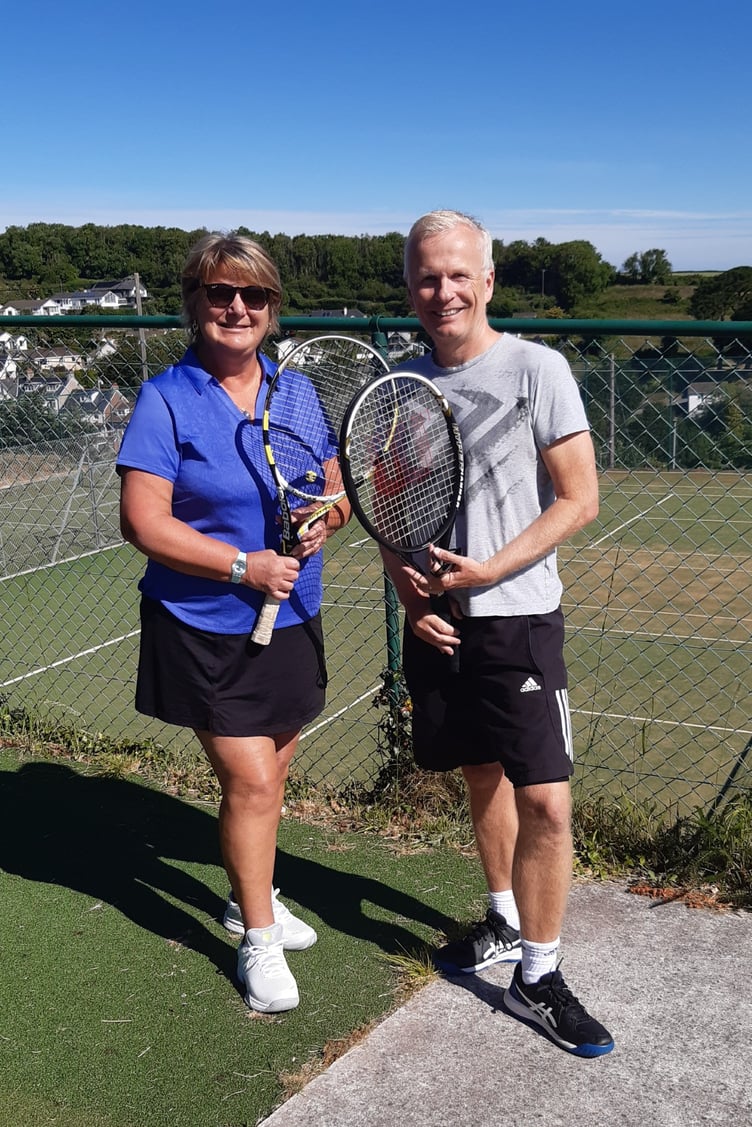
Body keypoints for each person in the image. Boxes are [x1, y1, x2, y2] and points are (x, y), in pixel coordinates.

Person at [382, 210, 614, 1057]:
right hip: (439, 625)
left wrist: (489, 571)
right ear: (411, 288)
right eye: (425, 277)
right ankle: (506, 920)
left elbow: (579, 498)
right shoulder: (403, 385)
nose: (442, 290)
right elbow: (391, 504)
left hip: (518, 620)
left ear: (487, 281)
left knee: (547, 799)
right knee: (481, 776)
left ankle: (539, 974)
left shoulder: (537, 368)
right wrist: (404, 583)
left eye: (456, 274)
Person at [117, 232, 343, 1014]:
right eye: (220, 293)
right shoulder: (165, 398)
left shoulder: (299, 393)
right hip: (202, 623)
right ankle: (257, 936)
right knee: (249, 778)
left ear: (273, 309)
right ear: (194, 304)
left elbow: (336, 489)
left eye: (254, 296)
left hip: (294, 616)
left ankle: (254, 894)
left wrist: (326, 518)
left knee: (273, 774)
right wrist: (243, 565)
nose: (237, 308)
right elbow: (143, 521)